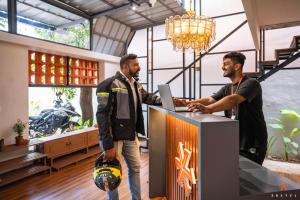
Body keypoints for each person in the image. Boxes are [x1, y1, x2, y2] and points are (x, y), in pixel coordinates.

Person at [176, 52, 268, 165]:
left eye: (226, 64)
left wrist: (208, 109)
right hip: (235, 139)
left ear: (237, 66)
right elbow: (209, 100)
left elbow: (232, 100)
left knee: (250, 179)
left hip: (253, 142)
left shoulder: (251, 83)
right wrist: (186, 102)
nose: (222, 67)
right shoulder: (227, 88)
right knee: (234, 175)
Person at [96, 53, 161, 200]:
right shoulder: (108, 84)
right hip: (114, 140)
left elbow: (148, 97)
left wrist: (168, 100)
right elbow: (102, 116)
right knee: (112, 173)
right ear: (125, 66)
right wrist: (107, 145)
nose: (139, 67)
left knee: (136, 169)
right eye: (136, 65)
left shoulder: (136, 85)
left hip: (131, 137)